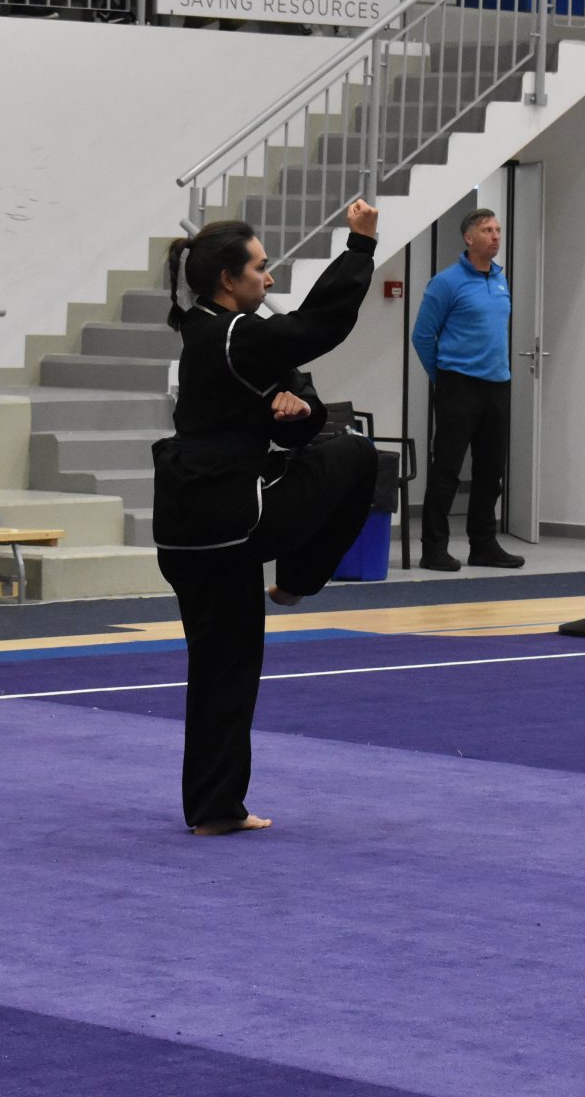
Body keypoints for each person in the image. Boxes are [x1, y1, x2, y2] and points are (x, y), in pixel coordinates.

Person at [152, 201, 384, 836]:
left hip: (185, 530)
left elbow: (304, 414)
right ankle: (299, 580)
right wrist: (358, 248)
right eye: (260, 269)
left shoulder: (221, 336)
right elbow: (318, 326)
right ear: (228, 279)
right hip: (226, 515)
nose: (269, 279)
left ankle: (214, 809)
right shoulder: (231, 335)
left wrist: (295, 410)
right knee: (360, 456)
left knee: (222, 666)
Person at [412, 209, 525, 571]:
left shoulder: (501, 279)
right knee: (446, 469)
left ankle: (484, 545)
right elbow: (423, 336)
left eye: (497, 230)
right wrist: (442, 377)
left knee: (491, 470)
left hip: (498, 385)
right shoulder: (446, 282)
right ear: (469, 238)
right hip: (458, 385)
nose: (495, 236)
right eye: (487, 230)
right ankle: (434, 548)